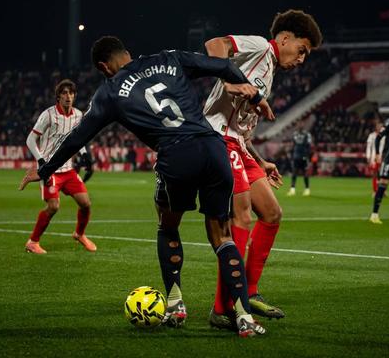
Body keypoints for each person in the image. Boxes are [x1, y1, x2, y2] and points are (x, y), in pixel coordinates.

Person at [19, 36, 274, 337]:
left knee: (168, 226)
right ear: (127, 53)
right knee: (223, 236)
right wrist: (256, 96)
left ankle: (176, 304)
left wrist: (45, 168)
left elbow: (77, 137)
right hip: (213, 149)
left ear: (104, 67)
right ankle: (244, 317)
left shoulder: (110, 92)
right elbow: (222, 65)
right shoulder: (169, 57)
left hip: (176, 155)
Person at [203, 9, 323, 326]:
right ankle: (223, 308)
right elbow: (215, 44)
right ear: (284, 39)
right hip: (218, 139)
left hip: (239, 146)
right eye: (301, 50)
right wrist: (228, 79)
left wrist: (260, 160)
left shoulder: (268, 71)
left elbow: (242, 129)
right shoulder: (259, 46)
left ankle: (249, 291)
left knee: (271, 213)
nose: (301, 59)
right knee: (241, 216)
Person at [24, 79, 96, 254]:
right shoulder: (48, 115)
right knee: (53, 206)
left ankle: (79, 234)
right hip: (50, 170)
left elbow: (79, 139)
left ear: (74, 96)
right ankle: (32, 242)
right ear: (58, 97)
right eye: (64, 93)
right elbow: (30, 140)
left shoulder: (78, 115)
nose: (68, 96)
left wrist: (85, 155)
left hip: (68, 170)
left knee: (86, 204)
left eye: (71, 93)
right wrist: (41, 161)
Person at [287, 126, 313, 196]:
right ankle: (292, 189)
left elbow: (309, 146)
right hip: (296, 156)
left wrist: (308, 156)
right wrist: (291, 153)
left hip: (304, 156)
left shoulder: (307, 135)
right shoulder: (295, 134)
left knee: (305, 172)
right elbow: (293, 145)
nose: (300, 125)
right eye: (299, 123)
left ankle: (307, 189)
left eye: (302, 123)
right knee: (294, 172)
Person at [365, 121, 385, 196]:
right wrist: (368, 156)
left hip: (382, 156)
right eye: (378, 126)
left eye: (381, 126)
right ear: (376, 127)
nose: (380, 128)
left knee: (383, 174)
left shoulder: (384, 136)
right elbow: (368, 147)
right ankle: (375, 191)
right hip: (374, 157)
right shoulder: (371, 136)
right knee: (375, 174)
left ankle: (382, 191)